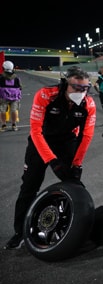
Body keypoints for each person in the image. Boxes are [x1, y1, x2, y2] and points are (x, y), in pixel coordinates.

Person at [5, 66, 96, 250]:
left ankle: (78, 229)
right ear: (65, 84)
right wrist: (52, 161)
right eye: (76, 87)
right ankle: (20, 232)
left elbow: (86, 136)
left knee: (75, 185)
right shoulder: (46, 95)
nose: (81, 92)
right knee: (29, 186)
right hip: (41, 140)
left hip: (66, 141)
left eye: (85, 88)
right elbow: (35, 131)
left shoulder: (89, 104)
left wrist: (77, 164)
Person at [0, 60, 22, 132]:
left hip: (3, 97)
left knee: (3, 111)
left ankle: (3, 125)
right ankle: (14, 125)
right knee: (14, 110)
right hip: (14, 97)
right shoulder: (16, 78)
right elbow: (20, 87)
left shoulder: (1, 77)